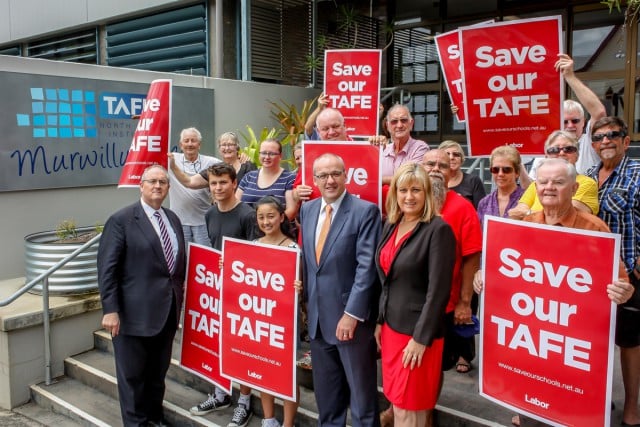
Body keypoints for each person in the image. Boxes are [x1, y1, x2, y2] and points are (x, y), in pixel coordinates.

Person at [474, 157, 633, 427]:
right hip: (532, 338)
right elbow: (501, 270)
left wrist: (622, 291)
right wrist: (483, 275)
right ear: (535, 188)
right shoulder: (521, 226)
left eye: (558, 182)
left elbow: (622, 284)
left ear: (573, 189)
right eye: (543, 182)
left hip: (575, 342)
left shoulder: (595, 230)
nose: (549, 187)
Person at [98, 165, 186, 426]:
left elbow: (177, 268)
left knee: (157, 375)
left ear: (168, 187)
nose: (157, 186)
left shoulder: (173, 218)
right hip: (132, 316)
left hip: (167, 313)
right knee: (133, 378)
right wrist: (110, 310)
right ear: (141, 185)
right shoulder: (121, 220)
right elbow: (107, 268)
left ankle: (154, 418)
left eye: (162, 182)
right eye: (152, 181)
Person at [299, 153, 381, 427]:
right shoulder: (307, 210)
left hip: (351, 323)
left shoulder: (365, 211)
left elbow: (366, 267)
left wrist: (352, 314)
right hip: (319, 323)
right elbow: (309, 261)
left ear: (346, 175)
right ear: (315, 180)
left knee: (361, 401)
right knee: (328, 401)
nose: (330, 180)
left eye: (335, 174)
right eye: (323, 175)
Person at [374, 163, 456, 427]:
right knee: (402, 405)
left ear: (427, 193)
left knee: (408, 408)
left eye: (416, 190)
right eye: (403, 190)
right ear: (394, 193)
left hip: (418, 335)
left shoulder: (438, 229)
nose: (409, 196)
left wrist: (421, 339)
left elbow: (439, 291)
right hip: (391, 328)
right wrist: (379, 320)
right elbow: (387, 281)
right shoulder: (392, 224)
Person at [189, 163, 258, 427]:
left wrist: (236, 263)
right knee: (219, 344)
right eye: (213, 183)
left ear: (234, 183)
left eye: (223, 183)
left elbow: (258, 255)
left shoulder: (248, 215)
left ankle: (244, 402)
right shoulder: (209, 214)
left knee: (242, 349)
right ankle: (221, 394)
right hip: (218, 290)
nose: (218, 188)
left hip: (244, 294)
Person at [585, 116, 640, 427]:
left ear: (626, 141)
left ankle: (632, 407)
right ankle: (598, 397)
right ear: (592, 145)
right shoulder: (588, 176)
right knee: (596, 342)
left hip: (630, 274)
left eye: (613, 135)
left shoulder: (637, 174)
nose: (605, 141)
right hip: (592, 278)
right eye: (599, 137)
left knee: (630, 343)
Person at [252, 196, 302, 427]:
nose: (266, 221)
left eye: (271, 216)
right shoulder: (252, 246)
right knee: (264, 370)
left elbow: (302, 286)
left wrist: (299, 288)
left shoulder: (293, 248)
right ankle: (268, 419)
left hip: (285, 323)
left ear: (282, 217)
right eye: (261, 217)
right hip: (260, 321)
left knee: (287, 375)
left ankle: (288, 423)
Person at [527, 54, 605, 179]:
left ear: (583, 122)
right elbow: (532, 187)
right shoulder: (548, 149)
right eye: (565, 122)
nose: (570, 126)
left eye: (575, 121)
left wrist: (570, 77)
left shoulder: (590, 142)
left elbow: (599, 112)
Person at [508, 130, 599, 220]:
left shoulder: (587, 183)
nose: (562, 153)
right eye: (554, 150)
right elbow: (517, 213)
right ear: (546, 156)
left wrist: (528, 213)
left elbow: (567, 217)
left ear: (577, 155)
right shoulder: (536, 184)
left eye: (568, 149)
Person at [168, 127, 220, 246]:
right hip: (179, 221)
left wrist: (242, 157)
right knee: (183, 259)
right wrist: (149, 121)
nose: (190, 144)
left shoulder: (212, 162)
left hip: (203, 222)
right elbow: (155, 148)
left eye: (193, 140)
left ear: (199, 144)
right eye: (186, 141)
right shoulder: (172, 160)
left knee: (205, 259)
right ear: (181, 145)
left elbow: (230, 166)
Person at [169, 131, 257, 190]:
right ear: (219, 149)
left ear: (237, 147)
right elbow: (189, 182)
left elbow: (254, 191)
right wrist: (173, 166)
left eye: (230, 144)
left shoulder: (248, 166)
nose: (227, 148)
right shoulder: (215, 169)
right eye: (223, 145)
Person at [368, 104, 430, 186]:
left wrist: (379, 179)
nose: (399, 125)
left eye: (403, 120)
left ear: (411, 124)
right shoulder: (383, 149)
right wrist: (370, 147)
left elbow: (412, 177)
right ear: (387, 126)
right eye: (394, 121)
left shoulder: (420, 147)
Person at [236, 139, 297, 221]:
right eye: (264, 153)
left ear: (280, 156)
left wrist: (268, 225)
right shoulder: (249, 177)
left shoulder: (290, 178)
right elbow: (236, 205)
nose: (267, 157)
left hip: (277, 230)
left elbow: (291, 211)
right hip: (247, 230)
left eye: (272, 154)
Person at [477, 146, 525, 226]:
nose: (500, 174)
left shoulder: (528, 200)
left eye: (506, 170)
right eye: (495, 169)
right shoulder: (484, 203)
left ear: (517, 173)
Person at [438, 140, 485, 208]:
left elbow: (481, 210)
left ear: (461, 159)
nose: (451, 157)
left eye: (456, 154)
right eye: (447, 154)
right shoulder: (434, 180)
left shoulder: (473, 181)